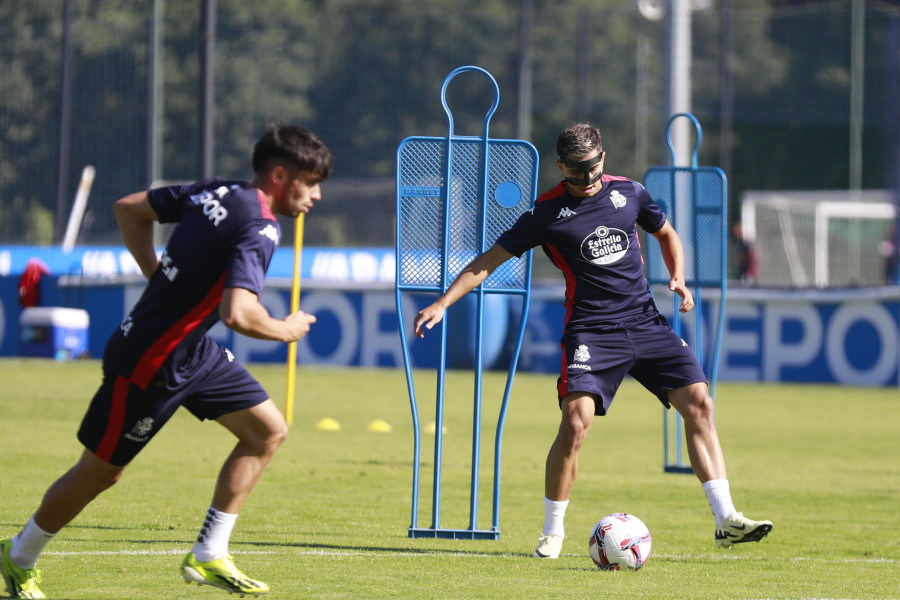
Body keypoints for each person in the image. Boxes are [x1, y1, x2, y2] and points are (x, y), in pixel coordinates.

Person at [1, 124, 333, 599]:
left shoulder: (216, 190)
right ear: (280, 175)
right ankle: (17, 557)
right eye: (312, 181)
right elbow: (237, 312)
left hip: (193, 352)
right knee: (100, 473)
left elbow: (129, 209)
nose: (317, 195)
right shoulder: (260, 226)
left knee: (266, 432)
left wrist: (155, 274)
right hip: (150, 360)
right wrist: (287, 329)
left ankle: (209, 555)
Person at [413, 123, 772, 560]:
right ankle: (553, 531)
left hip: (645, 323)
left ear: (603, 157)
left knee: (700, 403)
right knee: (576, 424)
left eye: (594, 169)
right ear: (560, 166)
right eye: (577, 172)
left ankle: (726, 520)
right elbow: (488, 261)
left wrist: (676, 275)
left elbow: (666, 233)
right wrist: (443, 303)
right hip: (591, 332)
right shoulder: (543, 213)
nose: (588, 180)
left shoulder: (630, 192)